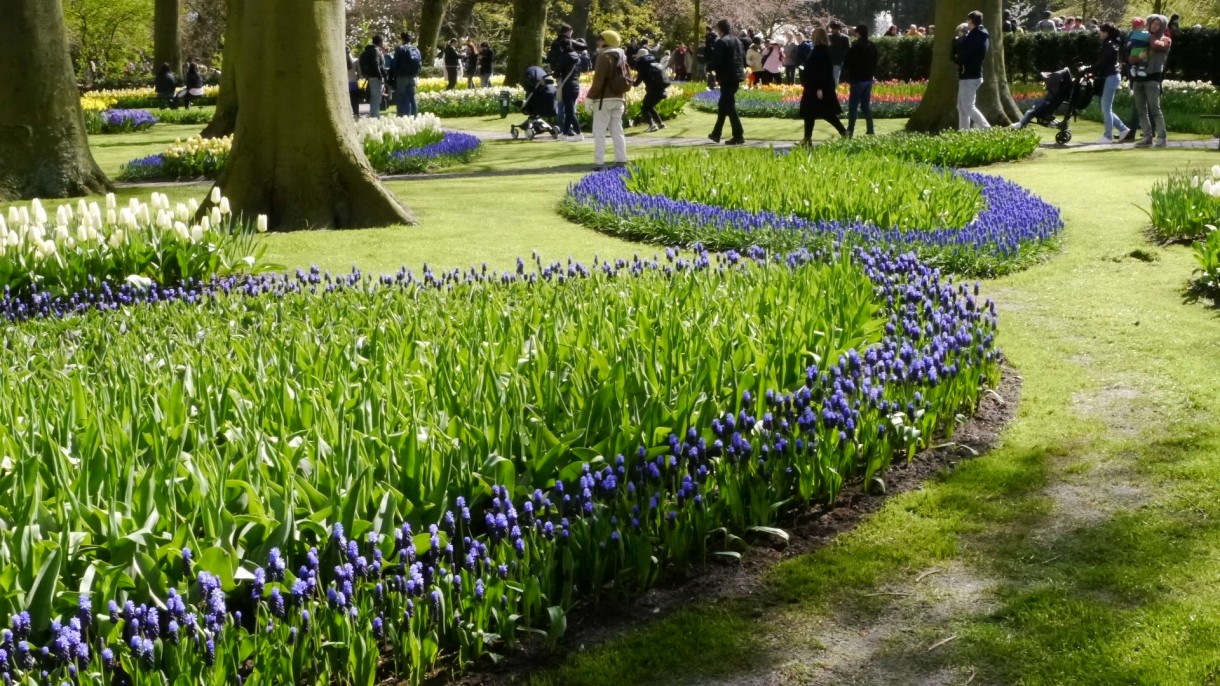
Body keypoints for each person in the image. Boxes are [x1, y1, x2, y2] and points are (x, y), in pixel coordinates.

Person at [587, 30, 631, 169]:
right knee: (617, 130)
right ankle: (621, 160)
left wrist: (589, 98)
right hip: (619, 98)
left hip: (604, 100)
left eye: (600, 39)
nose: (598, 42)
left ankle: (599, 162)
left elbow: (598, 81)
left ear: (606, 41)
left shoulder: (604, 57)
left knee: (599, 131)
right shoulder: (622, 56)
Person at [798, 27, 848, 144]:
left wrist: (819, 88)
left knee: (820, 113)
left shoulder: (819, 52)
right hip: (818, 86)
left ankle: (808, 138)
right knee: (817, 113)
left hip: (816, 87)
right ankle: (807, 138)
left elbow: (821, 71)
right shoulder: (824, 50)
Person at [1131, 14, 1172, 147]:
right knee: (1141, 110)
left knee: (1155, 109)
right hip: (1138, 78)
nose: (1154, 26)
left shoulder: (1166, 40)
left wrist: (1148, 37)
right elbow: (1131, 59)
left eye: (1157, 24)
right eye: (1152, 24)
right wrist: (1138, 58)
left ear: (1163, 26)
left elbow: (1156, 46)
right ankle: (1147, 137)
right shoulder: (1143, 39)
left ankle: (1162, 138)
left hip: (1153, 78)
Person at [1089, 23, 1130, 143]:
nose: (1099, 33)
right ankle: (1123, 129)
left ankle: (1108, 136)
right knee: (1106, 108)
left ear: (1106, 32)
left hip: (1111, 77)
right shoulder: (1112, 43)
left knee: (1106, 108)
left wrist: (1088, 69)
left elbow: (1102, 63)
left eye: (1101, 31)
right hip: (1112, 76)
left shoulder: (1109, 45)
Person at [708, 18, 746, 145]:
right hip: (736, 76)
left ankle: (738, 134)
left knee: (728, 106)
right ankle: (716, 133)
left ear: (720, 29)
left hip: (726, 76)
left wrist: (709, 67)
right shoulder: (737, 41)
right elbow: (742, 58)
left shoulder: (722, 42)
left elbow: (717, 60)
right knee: (723, 105)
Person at [954, 12, 991, 131]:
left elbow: (966, 53)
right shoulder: (981, 33)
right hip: (971, 74)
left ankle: (987, 129)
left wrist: (957, 56)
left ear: (970, 21)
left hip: (970, 75)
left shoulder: (975, 35)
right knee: (961, 106)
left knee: (968, 106)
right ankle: (963, 131)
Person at [843, 24, 878, 137]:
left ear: (858, 33)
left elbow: (849, 61)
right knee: (865, 105)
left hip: (857, 79)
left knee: (853, 106)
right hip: (868, 79)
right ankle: (870, 129)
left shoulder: (856, 46)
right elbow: (876, 61)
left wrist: (848, 76)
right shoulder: (872, 46)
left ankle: (850, 130)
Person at [552, 38, 585, 140]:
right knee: (569, 110)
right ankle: (564, 134)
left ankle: (579, 133)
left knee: (570, 111)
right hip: (575, 85)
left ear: (562, 47)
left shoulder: (564, 57)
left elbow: (556, 74)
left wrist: (555, 73)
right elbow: (578, 73)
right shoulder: (578, 58)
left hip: (567, 86)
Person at [633, 49, 669, 132]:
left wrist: (630, 83)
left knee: (644, 107)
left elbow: (636, 83)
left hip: (653, 90)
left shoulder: (644, 67)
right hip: (662, 90)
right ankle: (660, 124)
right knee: (650, 106)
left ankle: (652, 125)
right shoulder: (656, 64)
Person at [393, 32, 423, 117]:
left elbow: (395, 63)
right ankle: (414, 115)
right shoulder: (416, 49)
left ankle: (402, 116)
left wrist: (394, 75)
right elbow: (420, 63)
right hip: (413, 76)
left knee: (401, 96)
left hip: (402, 76)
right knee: (412, 97)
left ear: (402, 39)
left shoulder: (400, 48)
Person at [360, 35, 387, 118]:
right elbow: (376, 64)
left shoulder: (368, 50)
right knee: (376, 97)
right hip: (376, 77)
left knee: (373, 97)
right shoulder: (375, 50)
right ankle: (375, 115)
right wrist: (380, 76)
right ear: (380, 42)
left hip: (370, 76)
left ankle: (373, 114)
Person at [347, 51, 362, 117]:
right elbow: (360, 73)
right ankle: (356, 113)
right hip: (353, 83)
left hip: (345, 84)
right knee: (355, 100)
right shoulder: (355, 61)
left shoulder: (341, 62)